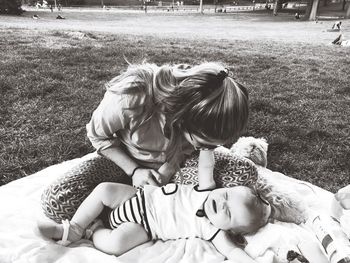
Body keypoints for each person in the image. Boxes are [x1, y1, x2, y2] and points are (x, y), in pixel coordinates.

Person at [41, 62, 252, 223]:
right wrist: (134, 171)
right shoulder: (130, 96)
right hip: (125, 160)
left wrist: (170, 167)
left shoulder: (199, 120)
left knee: (244, 175)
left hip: (173, 167)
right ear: (182, 117)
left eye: (212, 146)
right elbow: (98, 136)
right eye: (202, 142)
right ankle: (144, 209)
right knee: (57, 202)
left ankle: (138, 208)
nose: (205, 149)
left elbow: (190, 148)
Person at [38, 150, 305, 262]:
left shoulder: (211, 231)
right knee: (104, 190)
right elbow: (206, 167)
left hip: (144, 226)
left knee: (116, 244)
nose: (219, 203)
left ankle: (93, 230)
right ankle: (74, 226)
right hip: (138, 197)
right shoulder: (206, 190)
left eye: (227, 212)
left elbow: (233, 252)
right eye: (226, 196)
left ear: (231, 229)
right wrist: (206, 148)